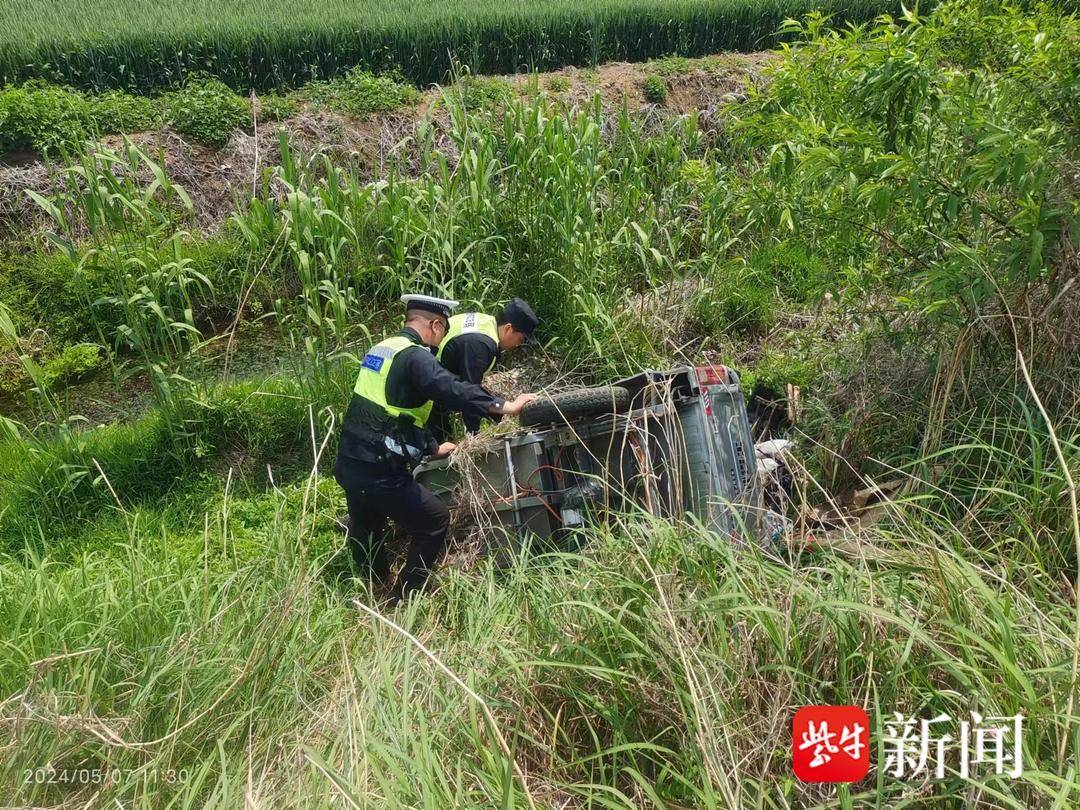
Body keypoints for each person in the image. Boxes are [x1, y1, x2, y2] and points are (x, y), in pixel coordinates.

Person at [333, 294, 537, 604]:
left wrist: (431, 446)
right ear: (435, 324)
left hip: (350, 461)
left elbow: (390, 410)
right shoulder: (417, 357)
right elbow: (451, 389)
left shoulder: (382, 349)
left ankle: (370, 594)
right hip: (379, 469)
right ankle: (403, 600)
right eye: (442, 331)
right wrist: (504, 406)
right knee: (434, 521)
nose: (441, 340)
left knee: (368, 529)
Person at [430, 298, 539, 440]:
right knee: (440, 441)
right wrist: (474, 438)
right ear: (508, 328)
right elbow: (470, 393)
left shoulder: (486, 323)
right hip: (427, 389)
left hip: (436, 374)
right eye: (521, 339)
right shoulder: (481, 345)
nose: (519, 344)